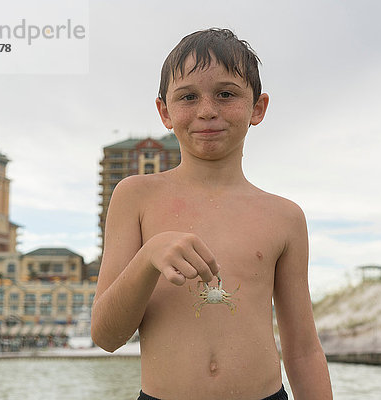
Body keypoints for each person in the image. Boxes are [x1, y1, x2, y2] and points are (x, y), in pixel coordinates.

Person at [91, 28, 332, 400]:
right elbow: (106, 336)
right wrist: (149, 256)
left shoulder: (285, 217)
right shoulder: (134, 197)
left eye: (226, 94)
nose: (207, 110)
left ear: (258, 108)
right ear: (165, 112)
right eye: (188, 96)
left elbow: (302, 350)